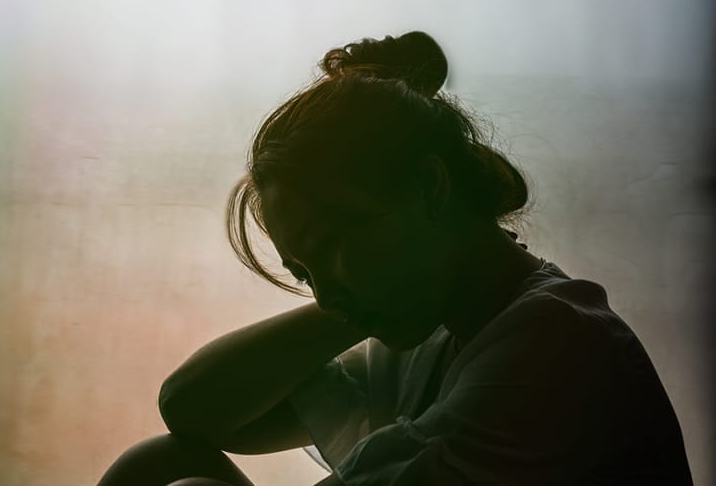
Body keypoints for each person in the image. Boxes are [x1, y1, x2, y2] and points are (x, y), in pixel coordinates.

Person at [98, 31, 694, 485]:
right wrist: (350, 300)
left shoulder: (553, 350)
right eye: (303, 272)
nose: (323, 292)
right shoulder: (441, 334)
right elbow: (193, 411)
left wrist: (358, 296)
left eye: (334, 244)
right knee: (163, 463)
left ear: (429, 191)